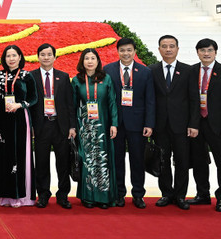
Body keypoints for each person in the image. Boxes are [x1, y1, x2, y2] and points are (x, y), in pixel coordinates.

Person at [104, 37, 155, 209]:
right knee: (117, 160)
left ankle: (138, 194)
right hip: (116, 124)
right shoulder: (108, 70)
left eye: (129, 50)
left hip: (138, 124)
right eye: (122, 50)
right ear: (117, 51)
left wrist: (149, 123)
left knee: (137, 160)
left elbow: (150, 100)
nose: (126, 53)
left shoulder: (145, 72)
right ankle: (119, 194)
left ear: (134, 52)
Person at [149, 35, 199, 210]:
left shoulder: (188, 70)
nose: (168, 49)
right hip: (160, 125)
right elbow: (149, 99)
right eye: (164, 46)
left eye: (172, 46)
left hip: (182, 125)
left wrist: (194, 124)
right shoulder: (151, 70)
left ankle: (180, 195)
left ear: (177, 49)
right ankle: (166, 194)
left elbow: (194, 99)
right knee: (162, 160)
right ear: (159, 49)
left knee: (182, 161)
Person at [189, 39, 221, 213]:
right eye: (202, 50)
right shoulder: (191, 71)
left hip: (218, 126)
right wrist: (191, 124)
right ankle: (202, 194)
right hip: (197, 124)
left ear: (215, 52)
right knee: (199, 161)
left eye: (210, 50)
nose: (206, 53)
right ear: (197, 52)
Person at [71, 48, 118, 209]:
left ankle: (104, 198)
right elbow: (72, 106)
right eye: (86, 58)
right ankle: (88, 197)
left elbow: (112, 103)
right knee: (87, 161)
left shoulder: (106, 79)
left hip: (104, 125)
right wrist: (73, 127)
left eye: (93, 58)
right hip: (84, 128)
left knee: (103, 160)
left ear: (98, 61)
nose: (90, 61)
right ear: (82, 62)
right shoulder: (77, 80)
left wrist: (114, 124)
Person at [30, 43, 75, 209]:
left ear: (55, 57)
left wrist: (72, 126)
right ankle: (43, 194)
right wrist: (31, 125)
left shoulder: (63, 77)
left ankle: (63, 195)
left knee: (63, 163)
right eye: (43, 54)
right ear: (38, 57)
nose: (46, 57)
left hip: (60, 126)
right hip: (40, 126)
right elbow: (30, 104)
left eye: (49, 54)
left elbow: (70, 104)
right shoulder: (31, 76)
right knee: (41, 163)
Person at [0, 45, 38, 207]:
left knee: (20, 154)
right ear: (4, 59)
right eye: (8, 56)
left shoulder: (27, 76)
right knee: (5, 156)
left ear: (20, 57)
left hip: (20, 118)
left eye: (14, 55)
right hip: (3, 120)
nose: (11, 59)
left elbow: (34, 98)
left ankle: (20, 195)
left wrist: (20, 105)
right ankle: (5, 196)